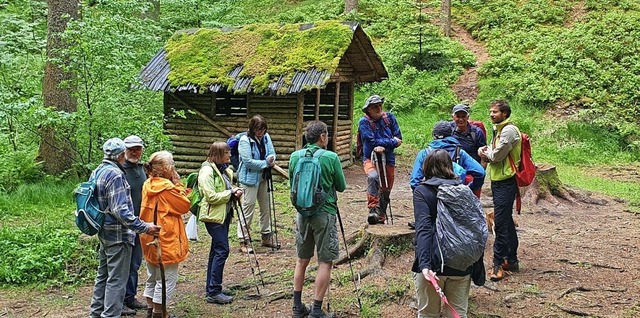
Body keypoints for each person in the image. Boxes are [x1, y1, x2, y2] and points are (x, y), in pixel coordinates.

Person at [89, 138, 161, 318]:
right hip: (119, 235)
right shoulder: (115, 175)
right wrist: (145, 227)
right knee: (117, 280)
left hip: (104, 232)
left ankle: (95, 314)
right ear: (121, 154)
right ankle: (111, 315)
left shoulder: (97, 171)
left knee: (103, 276)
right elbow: (121, 211)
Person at [289, 121, 346, 318]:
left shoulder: (295, 156)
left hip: (302, 214)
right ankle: (315, 310)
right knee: (325, 261)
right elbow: (341, 186)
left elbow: (292, 185)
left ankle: (297, 307)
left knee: (302, 260)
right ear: (322, 137)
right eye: (327, 135)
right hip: (325, 213)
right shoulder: (331, 157)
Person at [412, 149, 476, 318]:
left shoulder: (422, 191)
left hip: (433, 264)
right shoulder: (464, 190)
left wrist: (424, 264)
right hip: (462, 263)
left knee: (428, 314)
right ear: (450, 167)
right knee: (458, 314)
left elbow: (424, 228)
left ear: (426, 167)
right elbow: (474, 227)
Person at [139, 151, 191, 318]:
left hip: (149, 236)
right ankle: (159, 313)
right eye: (172, 164)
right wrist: (178, 184)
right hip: (165, 238)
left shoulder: (147, 183)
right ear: (166, 168)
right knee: (166, 279)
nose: (174, 167)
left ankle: (150, 309)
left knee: (152, 275)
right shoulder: (167, 188)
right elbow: (184, 206)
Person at [478, 99, 522, 281]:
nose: (491, 115)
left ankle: (498, 264)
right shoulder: (499, 130)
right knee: (505, 220)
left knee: (501, 223)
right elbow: (493, 150)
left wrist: (484, 154)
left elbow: (496, 156)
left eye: (495, 112)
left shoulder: (509, 130)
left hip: (506, 182)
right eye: (490, 111)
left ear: (504, 113)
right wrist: (486, 150)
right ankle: (511, 259)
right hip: (498, 181)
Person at [199, 142, 243, 305]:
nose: (229, 155)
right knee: (222, 250)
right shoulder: (207, 171)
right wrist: (230, 193)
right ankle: (214, 291)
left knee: (216, 250)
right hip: (213, 217)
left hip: (223, 215)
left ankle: (212, 288)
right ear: (218, 154)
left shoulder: (223, 169)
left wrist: (234, 191)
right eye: (227, 153)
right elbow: (210, 196)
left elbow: (226, 187)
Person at [359, 95, 403, 225]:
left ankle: (381, 215)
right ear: (368, 110)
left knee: (386, 187)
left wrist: (384, 145)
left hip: (388, 159)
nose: (378, 108)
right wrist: (391, 142)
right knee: (373, 177)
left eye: (379, 105)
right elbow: (371, 141)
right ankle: (372, 210)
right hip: (370, 158)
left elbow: (399, 139)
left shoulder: (389, 118)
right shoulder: (364, 122)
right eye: (374, 107)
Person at [236, 115, 277, 252]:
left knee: (266, 206)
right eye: (258, 129)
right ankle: (244, 240)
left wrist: (272, 158)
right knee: (248, 207)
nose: (261, 132)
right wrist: (266, 163)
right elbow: (248, 161)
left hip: (264, 177)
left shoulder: (266, 137)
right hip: (249, 179)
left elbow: (271, 152)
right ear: (252, 128)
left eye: (263, 129)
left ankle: (266, 236)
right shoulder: (244, 140)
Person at [409, 121, 485, 192]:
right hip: (454, 196)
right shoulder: (459, 153)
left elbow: (414, 181)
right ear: (452, 134)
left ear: (434, 135)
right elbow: (480, 173)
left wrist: (423, 195)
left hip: (430, 194)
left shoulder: (424, 153)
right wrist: (469, 188)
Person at [122, 135, 148, 313]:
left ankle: (130, 297)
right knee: (122, 264)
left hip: (140, 223)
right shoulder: (119, 169)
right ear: (124, 150)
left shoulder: (142, 168)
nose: (134, 152)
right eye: (131, 148)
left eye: (137, 148)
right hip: (124, 225)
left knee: (135, 262)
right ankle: (120, 301)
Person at [449, 104, 487, 197]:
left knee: (472, 200)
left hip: (471, 173)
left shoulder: (476, 132)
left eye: (463, 116)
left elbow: (484, 154)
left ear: (468, 117)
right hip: (452, 173)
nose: (461, 119)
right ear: (453, 117)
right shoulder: (448, 130)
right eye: (458, 116)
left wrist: (481, 173)